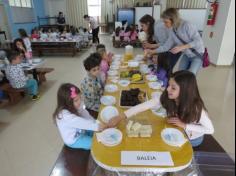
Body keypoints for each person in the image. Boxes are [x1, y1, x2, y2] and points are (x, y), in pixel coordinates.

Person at [109, 71, 214, 147]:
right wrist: (121, 116)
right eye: (169, 85)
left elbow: (210, 130)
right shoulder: (168, 96)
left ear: (185, 91)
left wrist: (185, 125)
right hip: (180, 128)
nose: (168, 89)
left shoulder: (196, 109)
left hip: (193, 137)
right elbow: (144, 106)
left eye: (173, 88)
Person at [145, 8, 205, 75]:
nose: (165, 25)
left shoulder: (187, 25)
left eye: (166, 22)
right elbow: (166, 46)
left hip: (197, 54)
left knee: (191, 74)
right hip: (187, 54)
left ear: (173, 20)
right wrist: (152, 51)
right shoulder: (172, 30)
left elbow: (198, 41)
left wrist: (182, 47)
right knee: (180, 73)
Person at [53, 83, 108, 150]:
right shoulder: (65, 116)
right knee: (96, 144)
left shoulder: (75, 105)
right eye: (76, 100)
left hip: (81, 130)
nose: (80, 101)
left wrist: (95, 122)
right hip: (74, 140)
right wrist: (97, 126)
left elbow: (85, 113)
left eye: (80, 98)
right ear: (67, 102)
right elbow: (83, 123)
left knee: (99, 134)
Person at [80, 53, 104, 118]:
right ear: (88, 71)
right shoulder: (89, 84)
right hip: (92, 106)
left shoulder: (95, 76)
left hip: (98, 98)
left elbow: (100, 88)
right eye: (94, 70)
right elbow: (94, 99)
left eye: (98, 68)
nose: (97, 71)